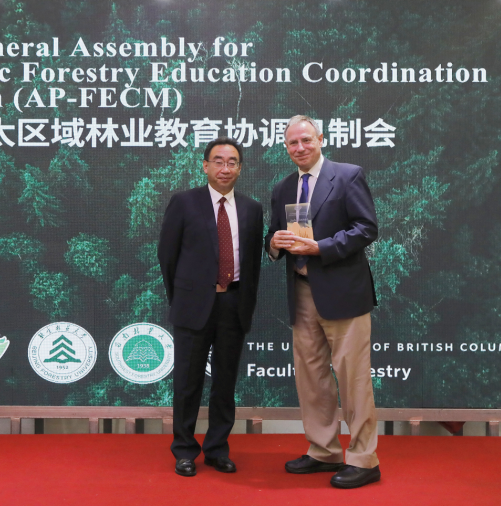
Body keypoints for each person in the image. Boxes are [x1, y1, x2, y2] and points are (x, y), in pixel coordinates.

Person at [264, 115, 381, 489]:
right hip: (301, 291)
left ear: (321, 139)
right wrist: (273, 244)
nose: (300, 148)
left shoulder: (347, 176)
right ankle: (323, 450)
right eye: (292, 143)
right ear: (286, 148)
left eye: (306, 140)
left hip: (344, 292)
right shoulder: (283, 187)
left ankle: (363, 459)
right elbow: (274, 234)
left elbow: (367, 228)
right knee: (311, 376)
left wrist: (322, 247)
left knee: (353, 377)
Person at [158, 137, 264, 477]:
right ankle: (184, 450)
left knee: (225, 382)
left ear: (240, 168)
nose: (225, 168)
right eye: (218, 161)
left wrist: (244, 301)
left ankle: (217, 449)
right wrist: (183, 296)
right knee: (187, 383)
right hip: (193, 305)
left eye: (232, 162)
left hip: (234, 304)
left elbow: (253, 264)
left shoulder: (252, 208)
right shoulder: (184, 202)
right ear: (205, 166)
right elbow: (167, 256)